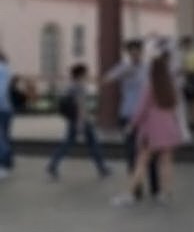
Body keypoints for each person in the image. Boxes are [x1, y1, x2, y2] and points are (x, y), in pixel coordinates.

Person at [112, 52, 182, 205]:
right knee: (166, 162)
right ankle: (166, 193)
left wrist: (131, 125)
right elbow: (174, 108)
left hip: (152, 131)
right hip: (169, 129)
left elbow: (141, 110)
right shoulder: (170, 87)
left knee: (141, 162)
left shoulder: (150, 88)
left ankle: (130, 194)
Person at [102, 39, 159, 199]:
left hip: (147, 117)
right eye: (132, 52)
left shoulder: (148, 68)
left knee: (150, 152)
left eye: (137, 51)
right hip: (128, 115)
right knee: (131, 153)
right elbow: (106, 79)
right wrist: (123, 73)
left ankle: (155, 188)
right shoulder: (123, 67)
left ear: (142, 51)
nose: (135, 55)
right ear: (127, 53)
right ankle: (136, 188)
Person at [47, 64, 111, 180]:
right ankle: (102, 168)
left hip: (72, 119)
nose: (87, 75)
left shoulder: (70, 86)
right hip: (82, 120)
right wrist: (81, 123)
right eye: (85, 73)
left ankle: (53, 164)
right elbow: (81, 105)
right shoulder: (80, 87)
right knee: (92, 144)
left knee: (67, 143)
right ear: (81, 74)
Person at [0, 51, 12, 178]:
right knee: (5, 138)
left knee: (2, 139)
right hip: (5, 109)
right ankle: (7, 164)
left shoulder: (1, 69)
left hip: (2, 109)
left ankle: (3, 166)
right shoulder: (4, 68)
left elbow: (1, 90)